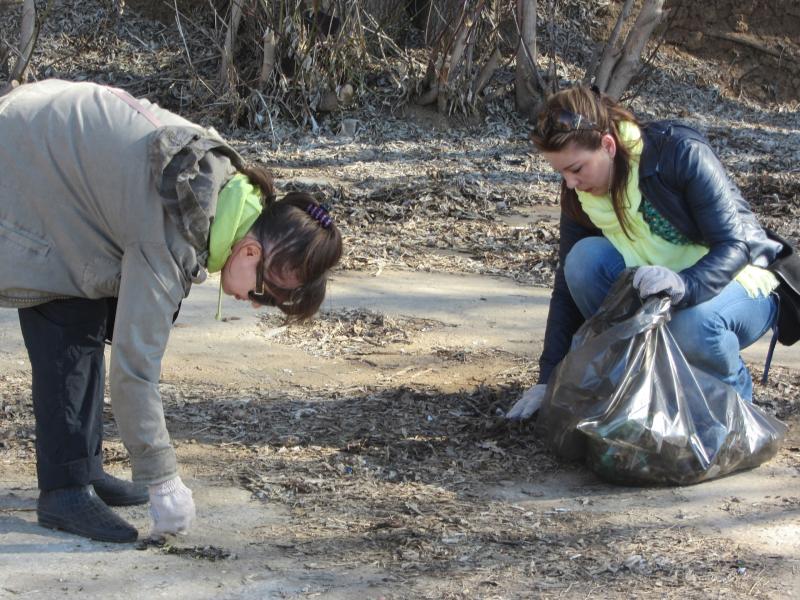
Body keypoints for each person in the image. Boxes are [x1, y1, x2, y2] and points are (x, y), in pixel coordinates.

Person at [0, 79, 342, 542]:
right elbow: (135, 367)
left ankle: (83, 466)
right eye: (265, 295)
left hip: (46, 132)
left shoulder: (222, 188)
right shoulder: (172, 230)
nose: (254, 304)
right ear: (249, 254)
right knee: (68, 310)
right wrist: (163, 481)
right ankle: (64, 490)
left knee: (100, 309)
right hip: (22, 161)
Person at [507, 85, 783, 420]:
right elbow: (566, 289)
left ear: (608, 146)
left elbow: (735, 246)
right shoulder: (581, 195)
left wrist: (686, 285)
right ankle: (644, 381)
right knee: (583, 262)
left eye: (576, 169)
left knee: (693, 324)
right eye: (561, 173)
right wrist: (547, 379)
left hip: (743, 281)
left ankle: (735, 409)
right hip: (662, 286)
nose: (569, 183)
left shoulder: (679, 152)